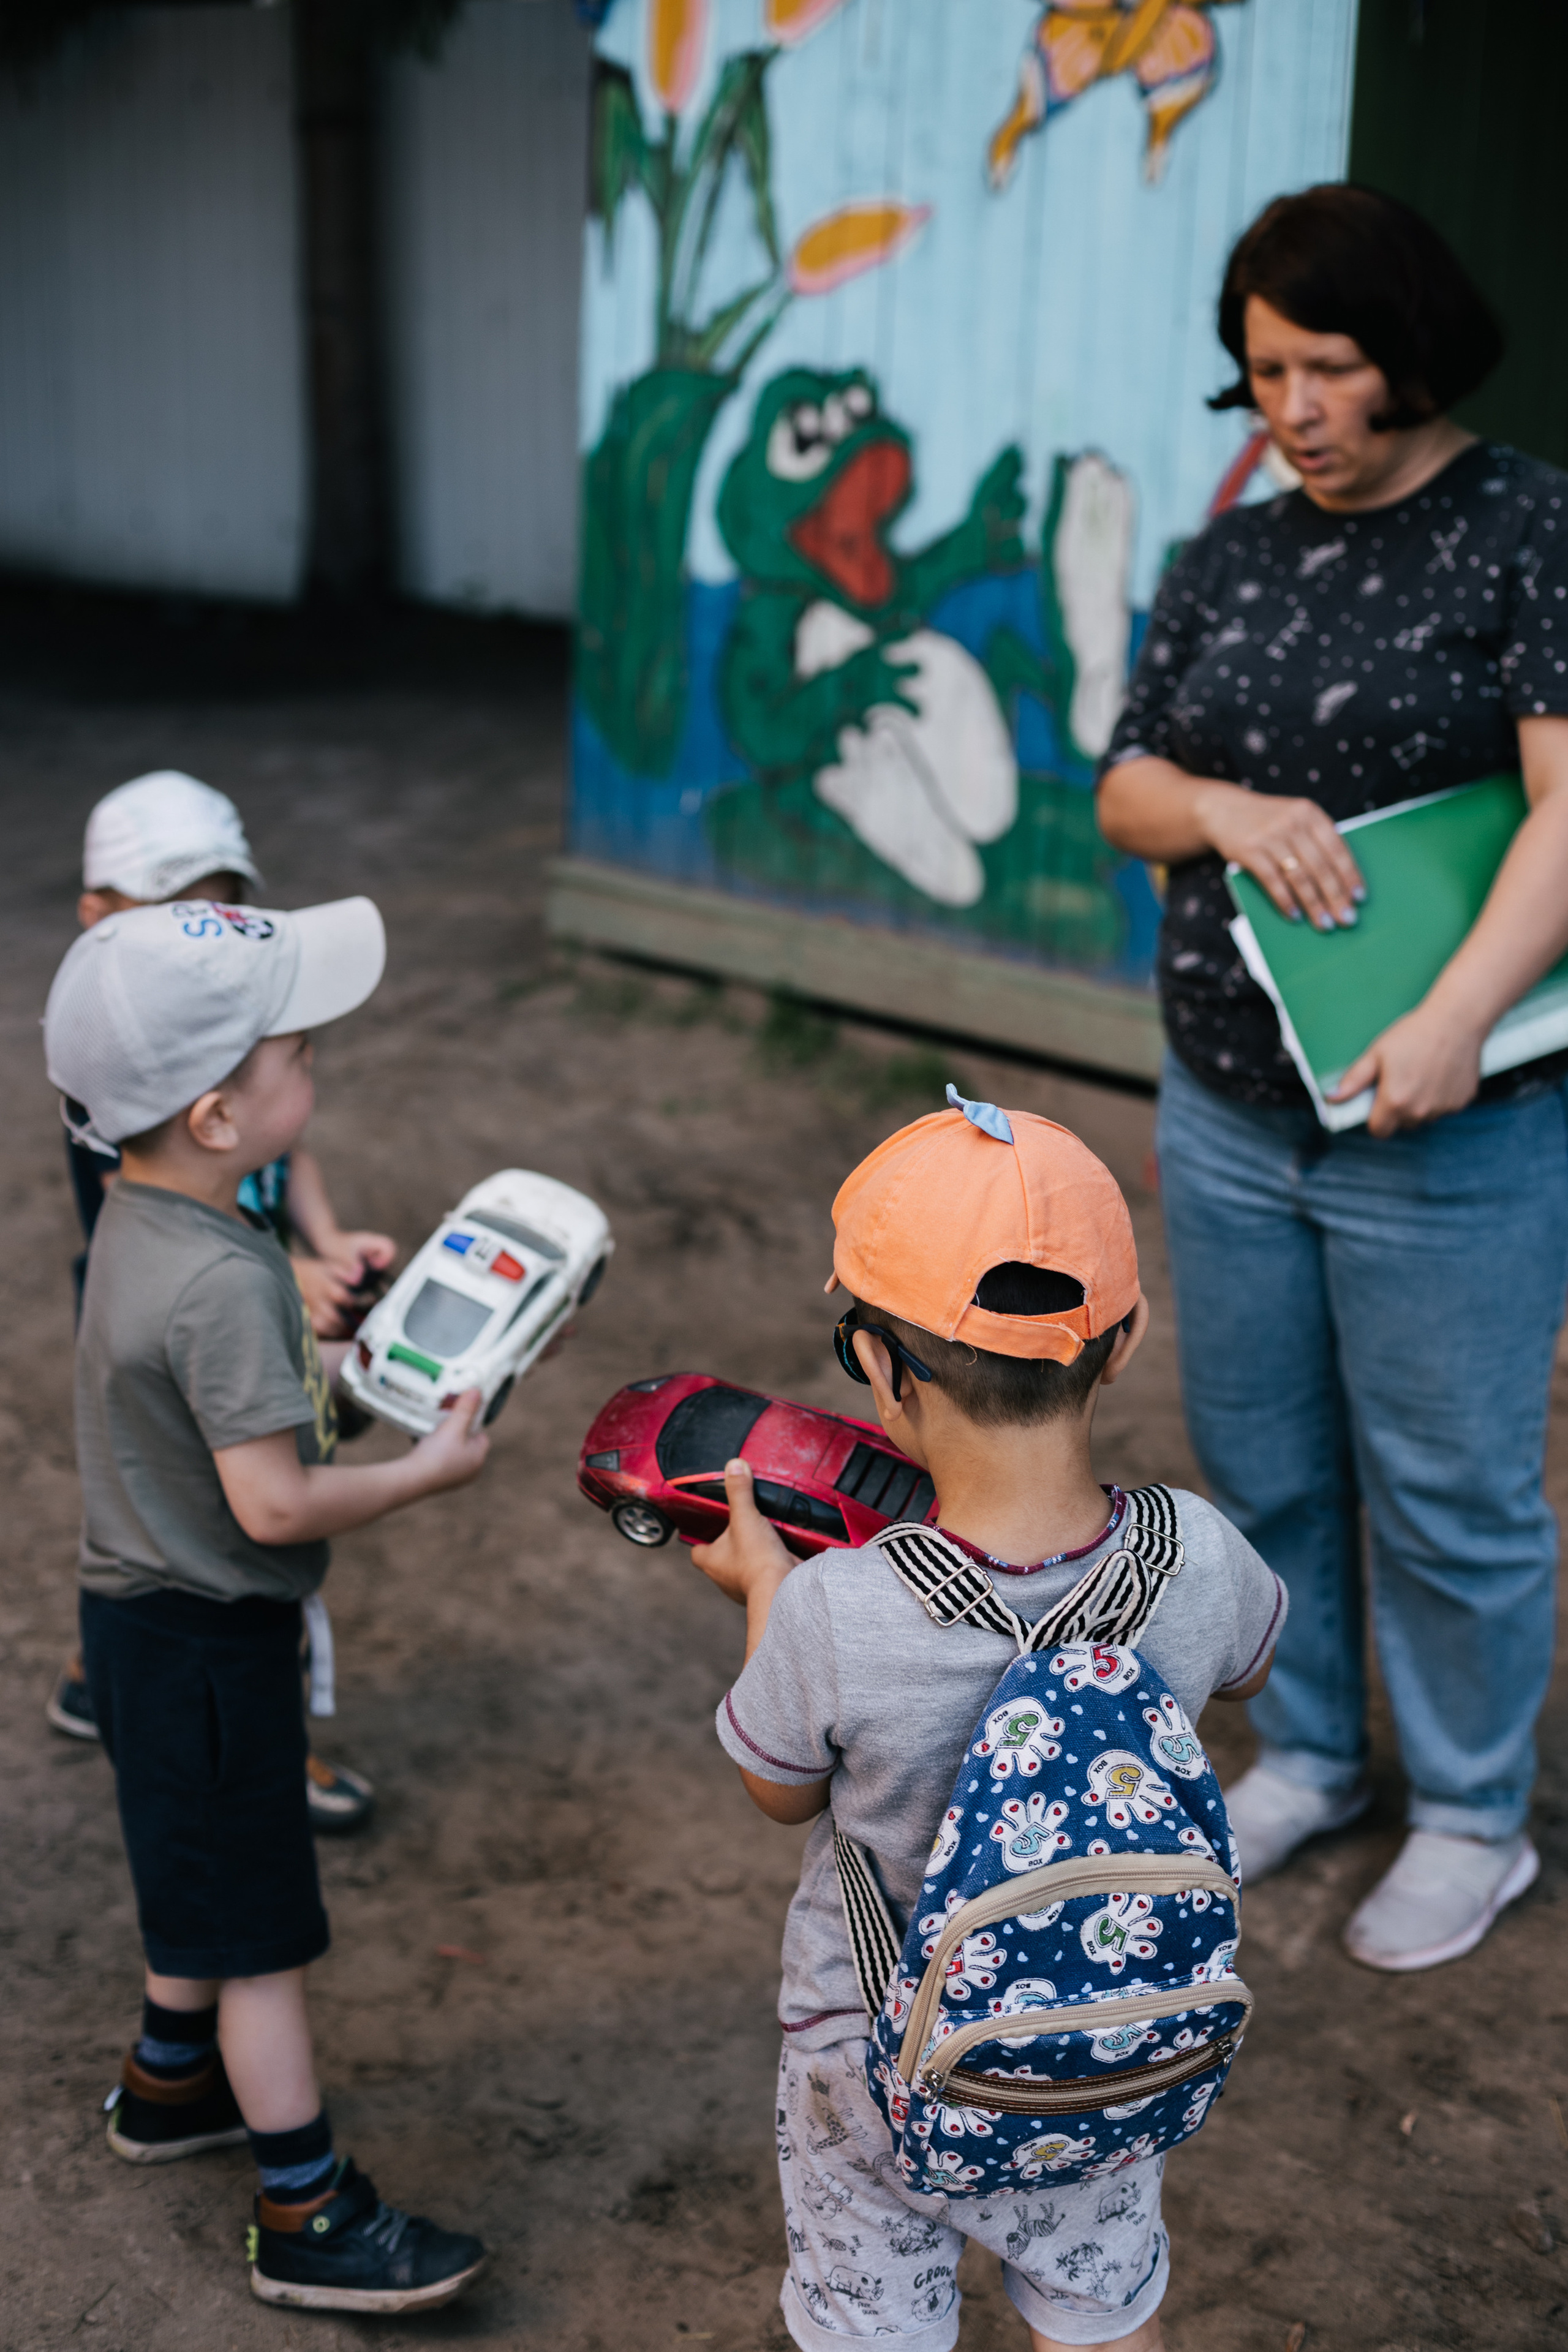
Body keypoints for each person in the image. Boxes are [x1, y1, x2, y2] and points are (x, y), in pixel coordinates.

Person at [1095, 184, 1568, 1970]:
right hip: (1228, 1102)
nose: (1292, 406)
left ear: (1413, 353)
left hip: (1453, 1123)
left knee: (1453, 1487)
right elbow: (1128, 788)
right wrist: (1224, 805)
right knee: (1265, 1463)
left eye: (1331, 365)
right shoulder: (1230, 552)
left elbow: (1567, 808)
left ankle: (1467, 1812)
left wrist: (1455, 1016)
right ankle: (1307, 1751)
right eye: (1264, 371)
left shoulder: (1528, 526)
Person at [691, 1097, 1285, 2352]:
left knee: (872, 2329)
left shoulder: (832, 1612)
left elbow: (779, 1790)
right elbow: (1242, 1670)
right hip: (1097, 2045)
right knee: (1100, 2310)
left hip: (872, 2061)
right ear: (1119, 1344)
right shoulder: (1199, 1555)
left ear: (873, 1363)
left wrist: (764, 1594)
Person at [45, 894, 491, 2313]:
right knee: (259, 1941)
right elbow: (277, 1505)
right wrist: (428, 1470)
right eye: (297, 1056)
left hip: (138, 1629)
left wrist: (339, 1373)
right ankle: (305, 2211)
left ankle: (169, 2089)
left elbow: (237, 1433)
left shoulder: (133, 1224)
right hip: (211, 1645)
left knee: (198, 1878)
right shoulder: (227, 1285)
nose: (319, 1076)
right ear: (221, 1119)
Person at [48, 772, 393, 1834]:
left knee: (165, 1512)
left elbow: (287, 1162)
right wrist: (291, 1286)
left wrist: (325, 1245)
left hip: (234, 1295)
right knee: (218, 1534)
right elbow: (154, 1217)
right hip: (204, 1312)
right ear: (100, 921)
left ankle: (93, 1681)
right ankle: (259, 1752)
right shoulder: (125, 1100)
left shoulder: (225, 1083)